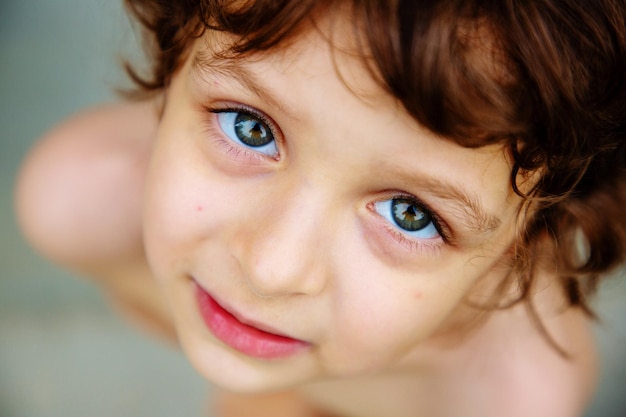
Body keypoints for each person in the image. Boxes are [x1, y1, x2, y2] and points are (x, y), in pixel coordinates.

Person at [15, 1, 626, 416]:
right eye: (250, 128)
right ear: (170, 69)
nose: (270, 270)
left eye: (409, 213)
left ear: (521, 252)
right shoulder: (77, 203)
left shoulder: (510, 395)